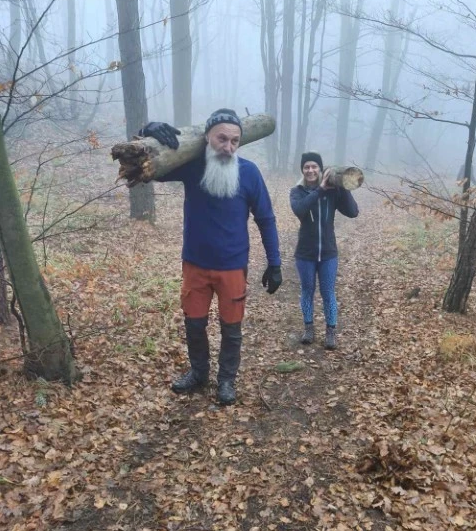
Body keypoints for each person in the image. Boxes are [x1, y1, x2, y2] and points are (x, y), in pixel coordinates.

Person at [139, 108, 282, 406]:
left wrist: (275, 262)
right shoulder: (191, 166)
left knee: (232, 329)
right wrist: (148, 130)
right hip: (195, 264)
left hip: (233, 267)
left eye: (234, 141)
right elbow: (148, 166)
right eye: (222, 139)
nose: (228, 147)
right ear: (207, 137)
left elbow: (266, 219)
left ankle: (227, 380)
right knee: (194, 324)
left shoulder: (250, 173)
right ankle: (199, 372)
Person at [290, 152, 358, 350]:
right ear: (302, 170)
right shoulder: (297, 191)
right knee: (307, 291)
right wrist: (320, 190)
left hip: (328, 253)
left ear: (320, 169)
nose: (310, 170)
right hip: (305, 254)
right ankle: (309, 329)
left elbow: (353, 212)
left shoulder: (333, 192)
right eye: (306, 167)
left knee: (328, 292)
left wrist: (342, 187)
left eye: (314, 167)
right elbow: (300, 210)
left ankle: (330, 332)